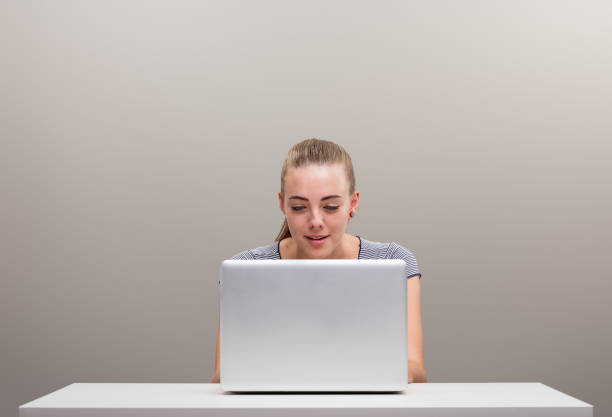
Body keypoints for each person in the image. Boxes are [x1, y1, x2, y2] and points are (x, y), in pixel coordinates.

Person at [211, 138, 427, 383]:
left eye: (331, 207)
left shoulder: (394, 261)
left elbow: (416, 371)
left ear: (353, 204)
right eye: (299, 207)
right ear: (282, 204)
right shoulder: (245, 269)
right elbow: (223, 377)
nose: (315, 221)